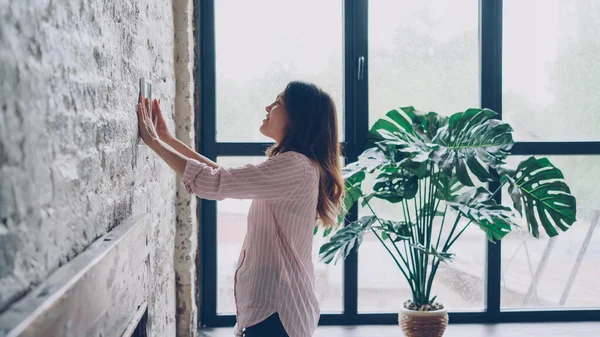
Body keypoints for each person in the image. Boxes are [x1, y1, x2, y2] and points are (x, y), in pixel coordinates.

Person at [136, 81, 344, 337]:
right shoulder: (297, 165)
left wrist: (155, 143)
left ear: (297, 118)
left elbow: (215, 182)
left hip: (278, 310)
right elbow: (223, 176)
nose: (268, 107)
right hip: (279, 307)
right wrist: (168, 140)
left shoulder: (295, 166)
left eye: (278, 103)